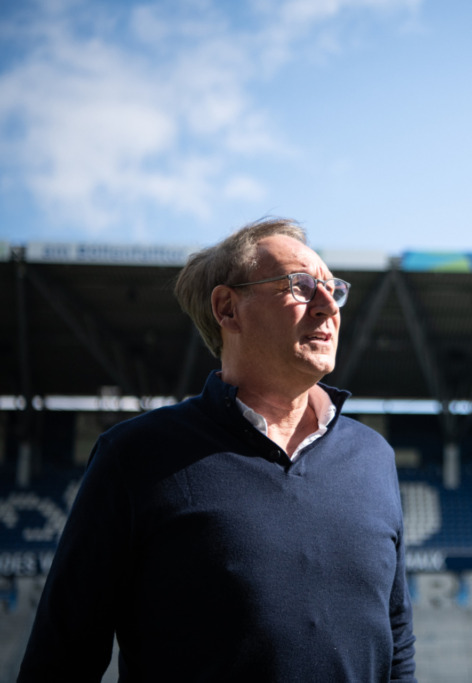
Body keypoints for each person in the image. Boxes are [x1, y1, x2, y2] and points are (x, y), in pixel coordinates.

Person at [18, 218, 416, 682]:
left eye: (333, 288)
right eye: (302, 286)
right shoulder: (136, 455)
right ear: (228, 309)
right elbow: (62, 658)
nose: (328, 305)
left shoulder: (373, 456)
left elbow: (396, 641)